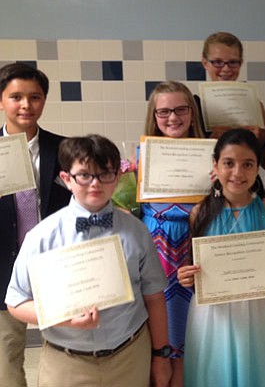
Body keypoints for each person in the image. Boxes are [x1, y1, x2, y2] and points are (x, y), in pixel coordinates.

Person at [5, 135, 171, 387]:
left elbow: (154, 298)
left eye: (104, 174)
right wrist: (63, 318)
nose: (95, 183)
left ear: (117, 178)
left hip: (129, 356)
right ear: (67, 179)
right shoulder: (41, 236)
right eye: (84, 175)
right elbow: (16, 301)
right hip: (66, 362)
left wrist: (161, 355)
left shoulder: (136, 231)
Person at [176, 129, 265, 387]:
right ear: (215, 166)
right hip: (213, 313)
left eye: (247, 164)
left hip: (256, 310)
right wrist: (187, 276)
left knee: (255, 369)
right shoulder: (199, 212)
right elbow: (195, 267)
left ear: (258, 169)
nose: (238, 173)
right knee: (215, 371)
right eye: (229, 163)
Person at [0, 62, 71, 387]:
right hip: (2, 266)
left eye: (35, 96)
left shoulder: (66, 149)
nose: (26, 105)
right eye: (16, 97)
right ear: (1, 101)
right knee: (5, 361)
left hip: (56, 266)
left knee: (63, 356)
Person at [140, 81, 205, 387]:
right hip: (156, 260)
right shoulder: (141, 158)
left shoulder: (212, 155)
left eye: (180, 109)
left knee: (192, 345)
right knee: (160, 351)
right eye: (164, 111)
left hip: (196, 258)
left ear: (192, 114)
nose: (173, 117)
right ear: (154, 116)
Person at [198, 31, 265, 157]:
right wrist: (210, 141)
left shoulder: (255, 105)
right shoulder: (193, 107)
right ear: (205, 63)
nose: (226, 69)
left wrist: (260, 139)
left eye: (232, 62)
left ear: (241, 63)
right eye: (217, 62)